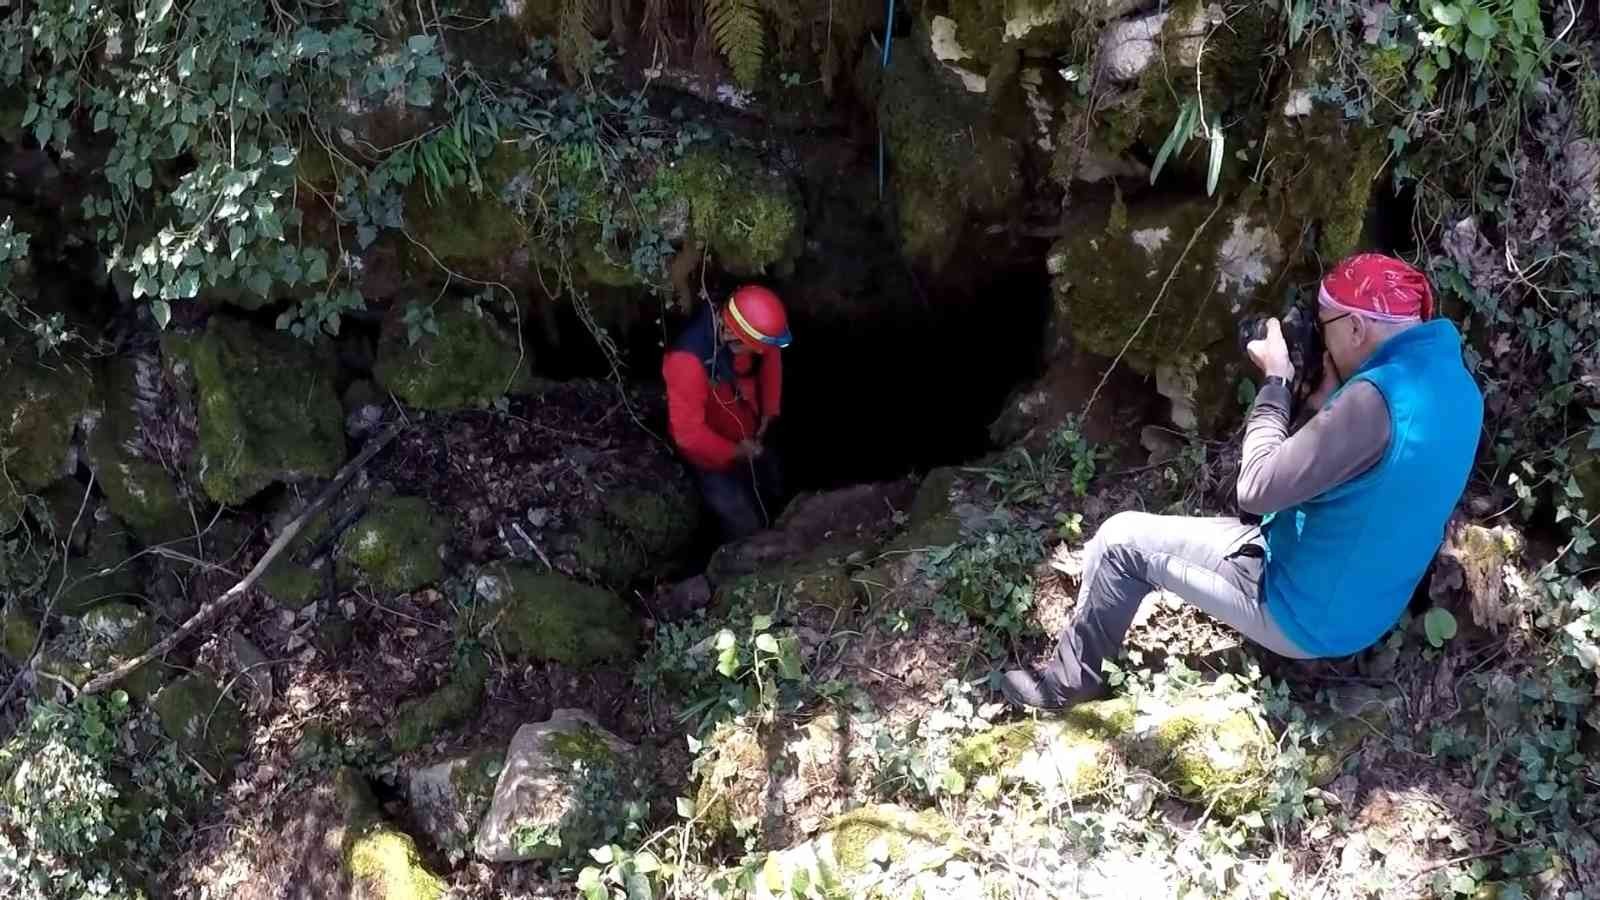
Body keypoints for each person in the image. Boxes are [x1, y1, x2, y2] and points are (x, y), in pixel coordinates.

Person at [1001, 253, 1484, 709]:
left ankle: (1064, 687)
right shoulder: (1457, 387)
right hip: (1370, 607)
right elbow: (1373, 481)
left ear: (1356, 327)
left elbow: (1253, 491)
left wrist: (1276, 381)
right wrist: (1327, 406)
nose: (1320, 336)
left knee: (1118, 543)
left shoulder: (1373, 403)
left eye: (1324, 324)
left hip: (1305, 613)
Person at [663, 284, 792, 541]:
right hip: (712, 456)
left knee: (776, 493)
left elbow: (770, 357)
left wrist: (769, 411)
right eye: (754, 347)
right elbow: (688, 434)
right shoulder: (686, 361)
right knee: (744, 524)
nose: (761, 352)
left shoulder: (746, 316)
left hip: (752, 431)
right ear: (733, 336)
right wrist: (734, 451)